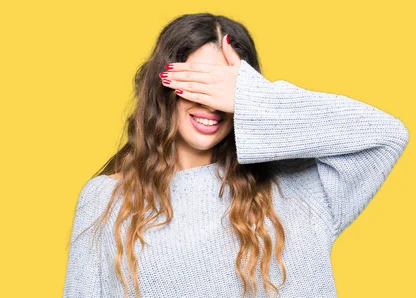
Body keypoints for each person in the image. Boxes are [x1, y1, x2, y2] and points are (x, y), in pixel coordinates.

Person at [62, 13, 409, 298]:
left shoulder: (300, 189)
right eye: (200, 83)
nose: (211, 103)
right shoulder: (106, 201)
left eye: (225, 88)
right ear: (165, 87)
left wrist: (252, 99)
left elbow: (386, 136)